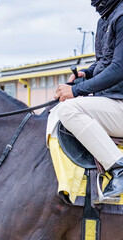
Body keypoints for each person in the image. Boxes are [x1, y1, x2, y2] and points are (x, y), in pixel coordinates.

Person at [54, 0, 123, 199]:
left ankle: (118, 167)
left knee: (69, 110)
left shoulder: (120, 16)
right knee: (57, 111)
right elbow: (105, 62)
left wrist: (77, 91)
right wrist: (86, 73)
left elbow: (119, 69)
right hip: (112, 101)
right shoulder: (105, 18)